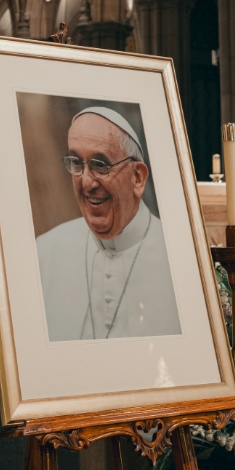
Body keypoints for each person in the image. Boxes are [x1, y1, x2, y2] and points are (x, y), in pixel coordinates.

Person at [35, 106, 181, 341]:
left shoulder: (182, 257)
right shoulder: (43, 252)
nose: (86, 182)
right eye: (76, 163)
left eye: (100, 165)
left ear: (137, 178)